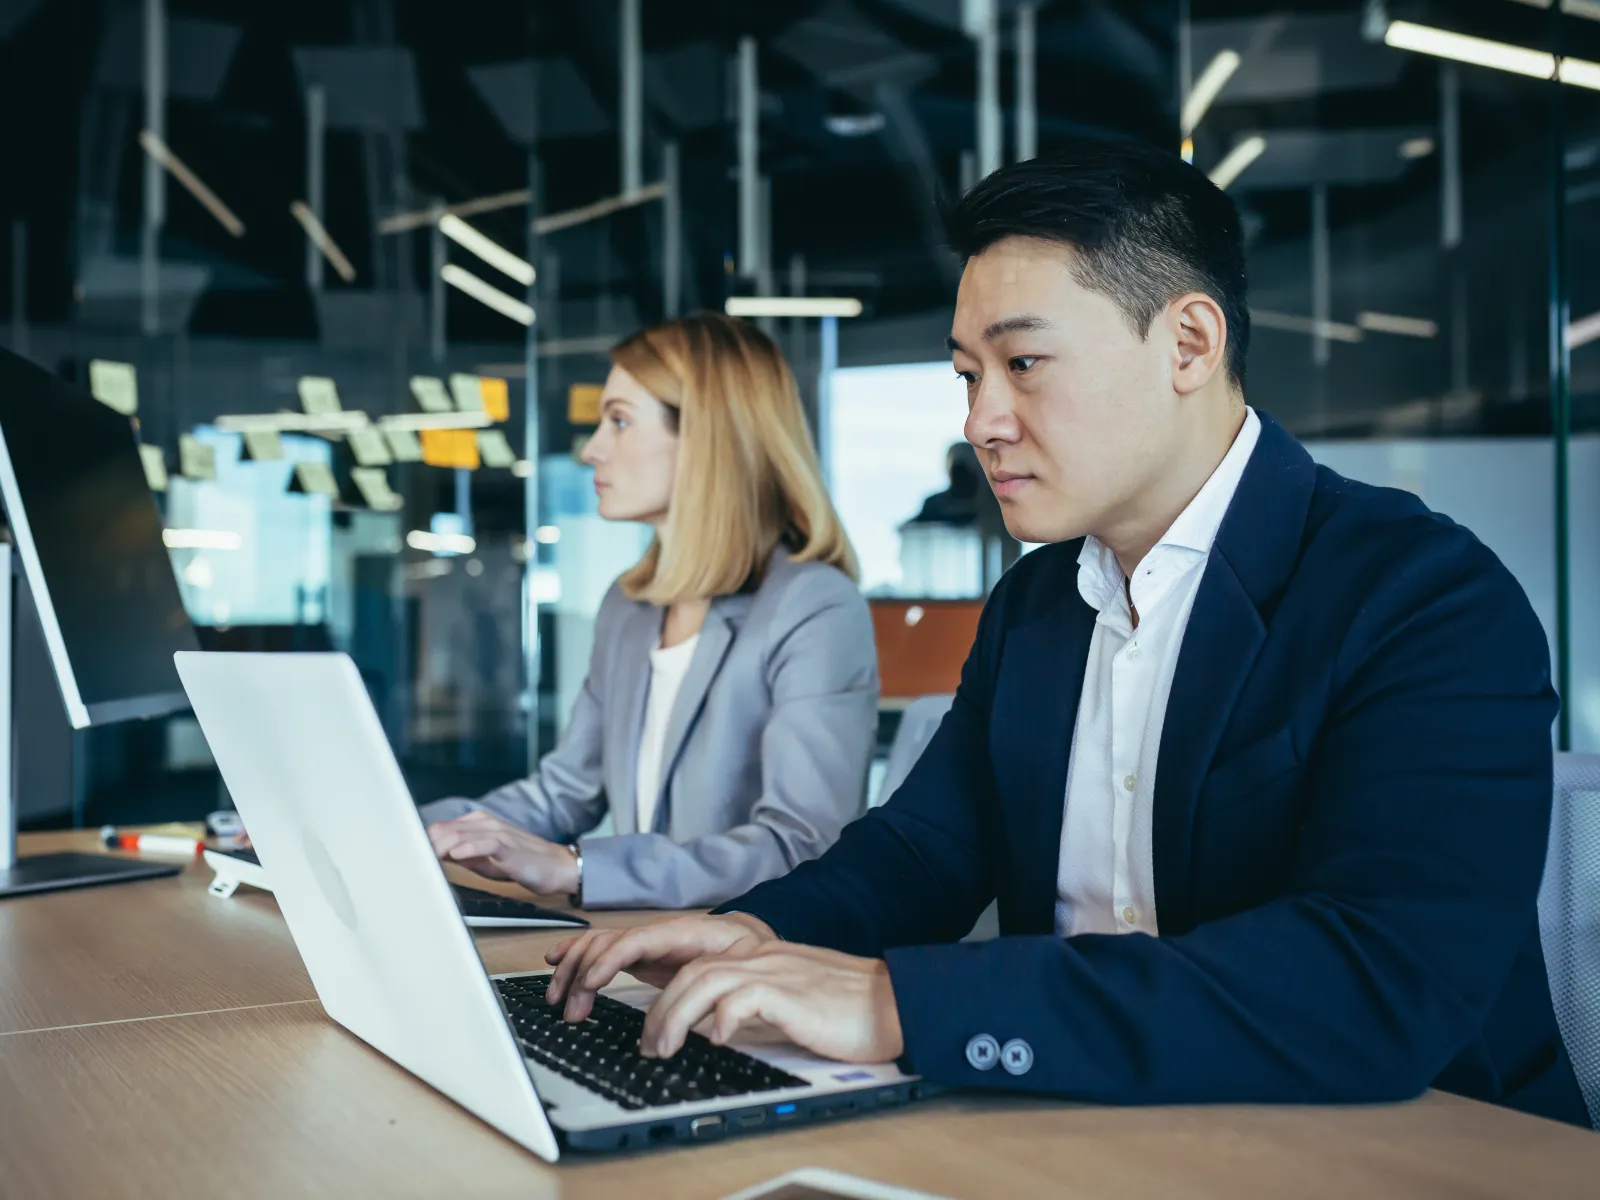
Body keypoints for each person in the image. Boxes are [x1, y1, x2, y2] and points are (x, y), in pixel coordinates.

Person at [537, 137, 1588, 1126]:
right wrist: (754, 931)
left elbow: (1374, 979)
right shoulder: (1040, 604)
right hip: (1084, 1132)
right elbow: (919, 853)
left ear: (1188, 343)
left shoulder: (1422, 597)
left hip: (1407, 1150)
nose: (980, 419)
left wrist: (899, 1005)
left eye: (1023, 365)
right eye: (965, 374)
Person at [421, 313, 878, 909]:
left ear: (707, 438)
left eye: (619, 421)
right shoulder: (629, 605)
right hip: (638, 944)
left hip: (750, 960)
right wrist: (394, 828)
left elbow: (801, 846)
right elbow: (561, 795)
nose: (591, 450)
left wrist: (576, 867)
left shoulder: (814, 606)